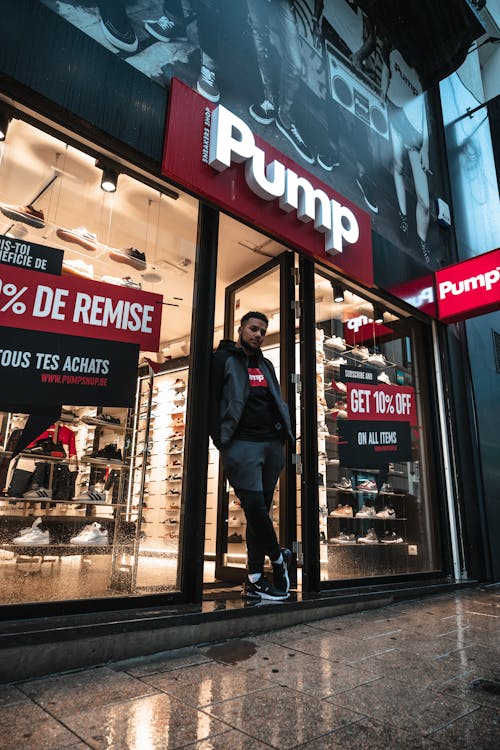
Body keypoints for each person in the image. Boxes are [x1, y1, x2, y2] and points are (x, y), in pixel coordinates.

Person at [209, 312, 294, 601]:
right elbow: (209, 400)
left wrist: (284, 433)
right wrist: (220, 440)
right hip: (241, 443)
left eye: (262, 330)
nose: (258, 334)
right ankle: (279, 559)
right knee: (256, 508)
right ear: (241, 329)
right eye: (253, 329)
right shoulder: (224, 359)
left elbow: (276, 398)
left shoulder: (266, 364)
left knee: (259, 515)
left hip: (271, 444)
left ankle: (256, 578)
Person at [380, 38, 431, 263]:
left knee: (426, 201)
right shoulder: (394, 52)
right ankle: (403, 216)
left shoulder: (420, 80)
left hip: (416, 134)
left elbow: (424, 117)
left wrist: (426, 149)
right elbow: (386, 73)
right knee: (398, 167)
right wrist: (382, 98)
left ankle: (422, 241)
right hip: (395, 113)